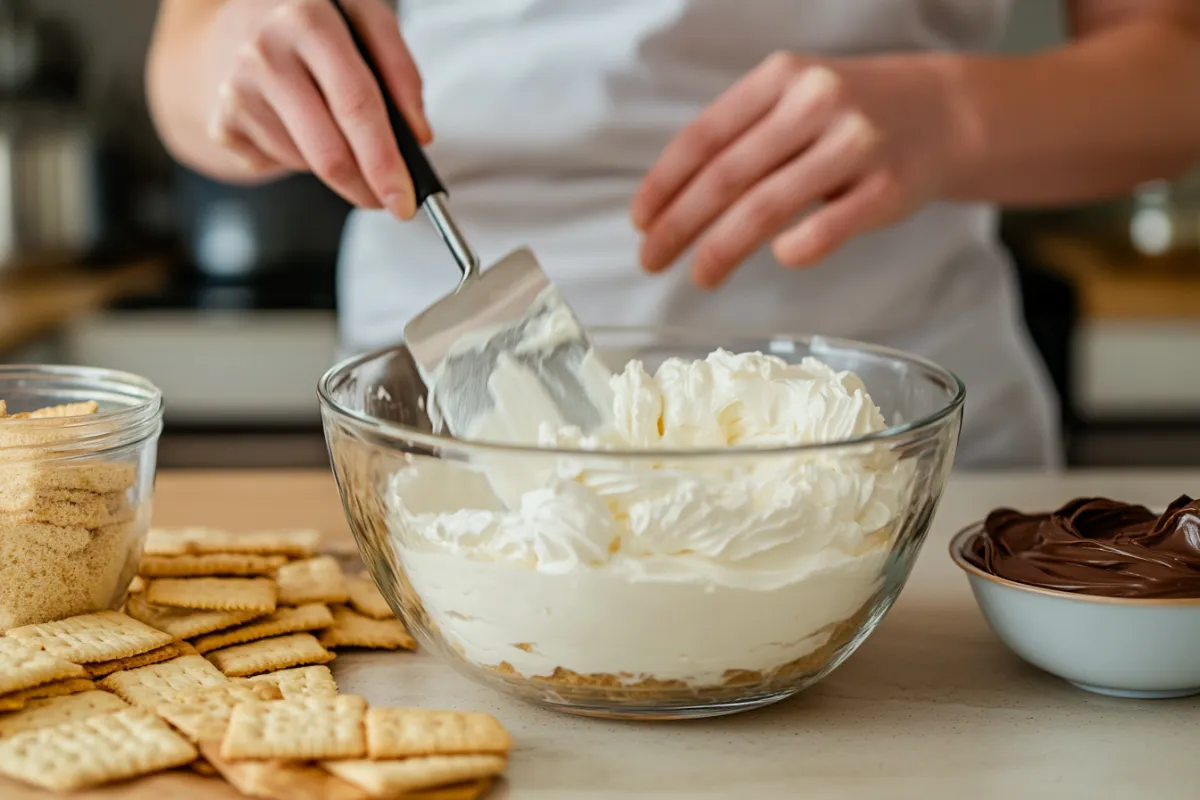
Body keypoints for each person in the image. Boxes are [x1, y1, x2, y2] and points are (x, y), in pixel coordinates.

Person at [145, 0, 1200, 468]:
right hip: (440, 457)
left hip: (904, 464)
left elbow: (1174, 64)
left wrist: (955, 115)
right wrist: (240, 59)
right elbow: (188, 54)